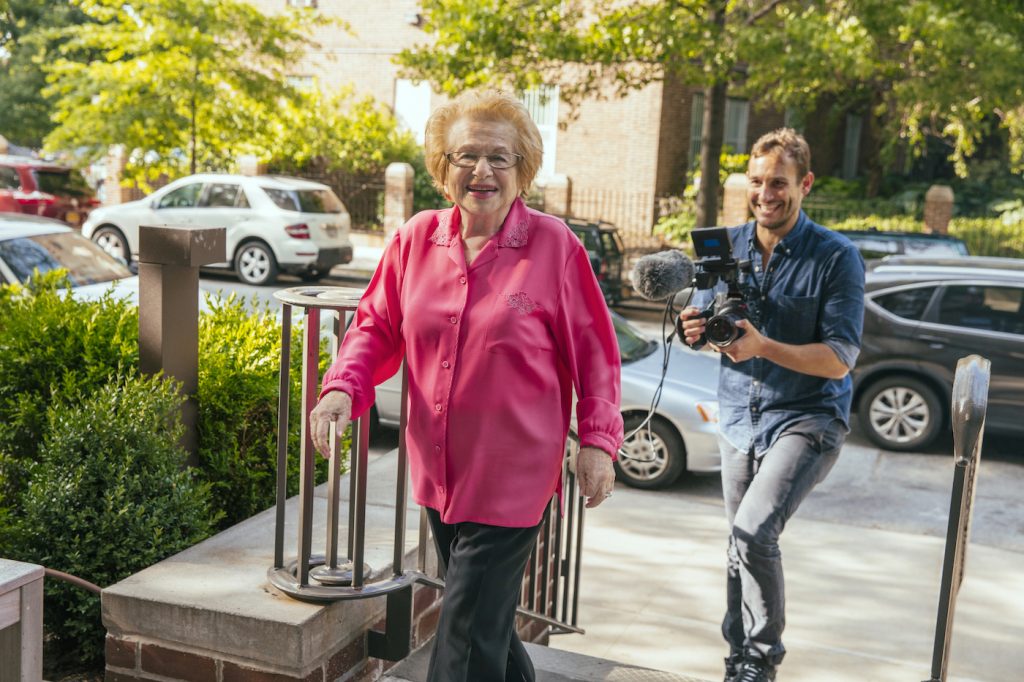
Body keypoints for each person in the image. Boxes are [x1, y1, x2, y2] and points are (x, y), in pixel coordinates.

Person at [308, 89, 623, 682]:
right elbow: (376, 325)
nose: (482, 171)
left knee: (463, 637)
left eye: (499, 158)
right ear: (443, 166)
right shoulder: (415, 239)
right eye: (466, 156)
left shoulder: (555, 246)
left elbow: (596, 353)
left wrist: (599, 442)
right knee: (488, 626)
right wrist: (341, 388)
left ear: (522, 168)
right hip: (438, 470)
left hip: (514, 475)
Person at [678, 128, 865, 682]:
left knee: (755, 531)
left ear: (804, 183)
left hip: (808, 417)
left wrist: (763, 346)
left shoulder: (837, 257)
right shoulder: (725, 244)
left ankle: (762, 659)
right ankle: (736, 660)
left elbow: (839, 358)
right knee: (738, 544)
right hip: (738, 417)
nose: (766, 194)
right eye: (757, 182)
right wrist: (694, 329)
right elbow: (710, 319)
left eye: (779, 183)